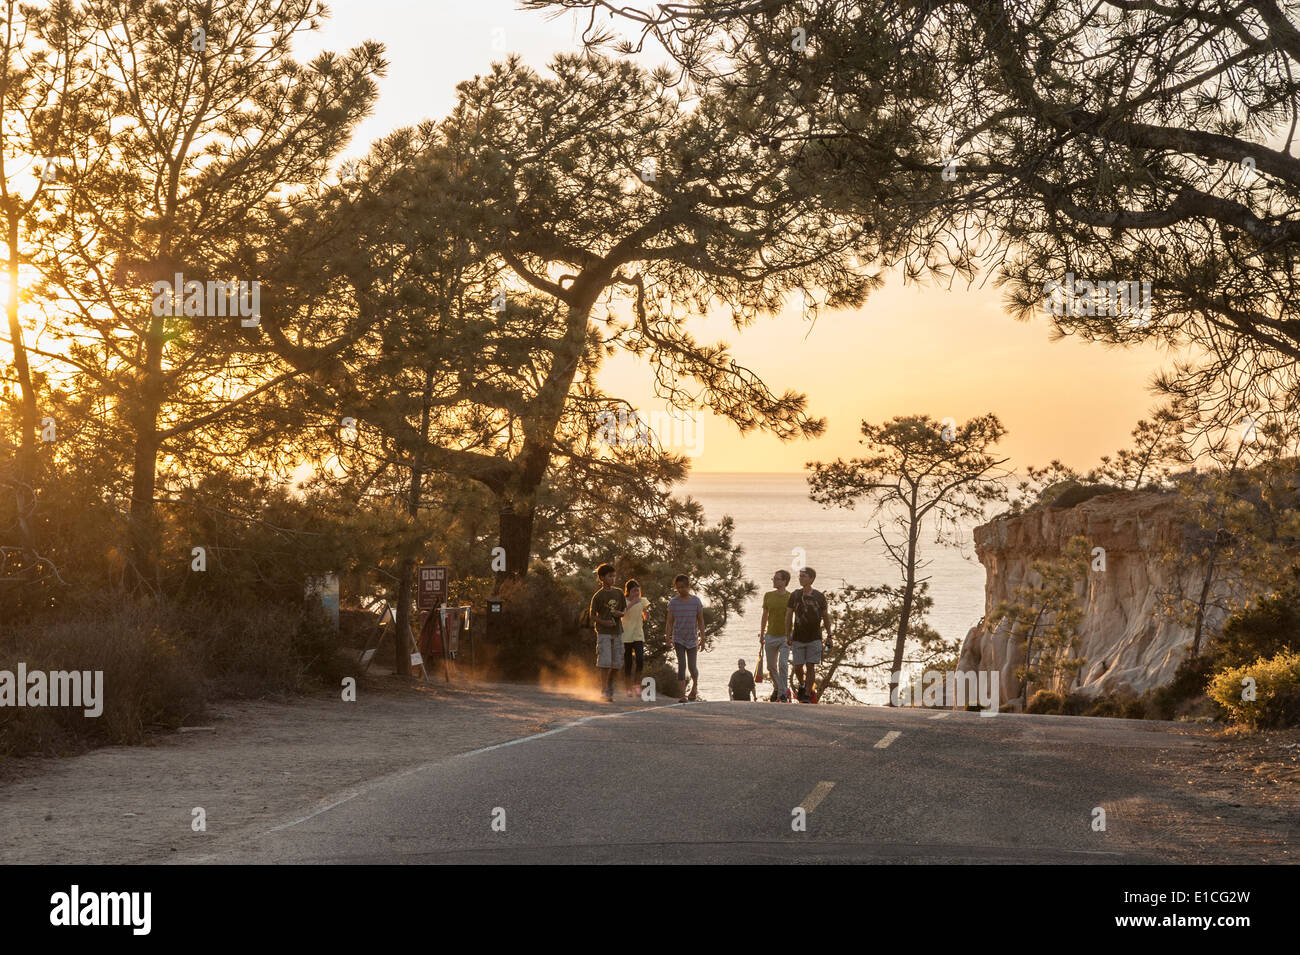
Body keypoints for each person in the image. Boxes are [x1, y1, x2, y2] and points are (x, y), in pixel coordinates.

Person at [785, 567, 831, 703]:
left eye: (804, 576)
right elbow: (788, 615)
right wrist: (788, 634)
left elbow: (825, 616)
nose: (801, 578)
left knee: (810, 665)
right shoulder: (795, 595)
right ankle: (804, 684)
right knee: (798, 666)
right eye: (800, 576)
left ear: (811, 579)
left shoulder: (819, 596)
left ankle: (806, 693)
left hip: (814, 637)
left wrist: (829, 634)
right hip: (798, 636)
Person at [589, 563, 626, 702]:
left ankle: (610, 686)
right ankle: (604, 689)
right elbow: (592, 615)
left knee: (616, 663)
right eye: (610, 576)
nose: (613, 579)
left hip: (617, 632)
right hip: (603, 633)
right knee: (604, 663)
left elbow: (624, 610)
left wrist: (620, 614)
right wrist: (604, 622)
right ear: (602, 578)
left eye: (614, 576)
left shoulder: (619, 593)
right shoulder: (598, 596)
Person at [665, 573, 704, 702]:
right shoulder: (673, 603)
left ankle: (695, 685)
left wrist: (702, 639)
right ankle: (682, 695)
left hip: (692, 639)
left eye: (683, 587)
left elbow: (701, 621)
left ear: (688, 586)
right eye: (678, 587)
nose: (681, 590)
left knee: (692, 667)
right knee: (682, 665)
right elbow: (669, 622)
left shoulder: (696, 601)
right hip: (679, 639)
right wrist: (668, 638)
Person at [759, 569, 793, 702]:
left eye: (777, 578)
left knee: (783, 664)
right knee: (770, 666)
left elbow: (795, 616)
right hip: (770, 635)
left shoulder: (791, 597)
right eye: (773, 578)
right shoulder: (768, 595)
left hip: (785, 636)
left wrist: (793, 635)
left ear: (784, 581)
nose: (774, 580)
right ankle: (779, 687)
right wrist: (762, 634)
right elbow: (764, 616)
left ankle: (783, 693)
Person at [621, 578, 648, 697]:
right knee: (628, 663)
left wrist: (646, 613)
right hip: (626, 635)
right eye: (634, 591)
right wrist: (632, 603)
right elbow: (622, 613)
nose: (636, 593)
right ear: (628, 591)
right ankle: (628, 688)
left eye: (638, 591)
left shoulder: (643, 601)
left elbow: (646, 616)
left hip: (638, 634)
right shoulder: (624, 601)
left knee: (640, 660)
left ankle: (637, 685)